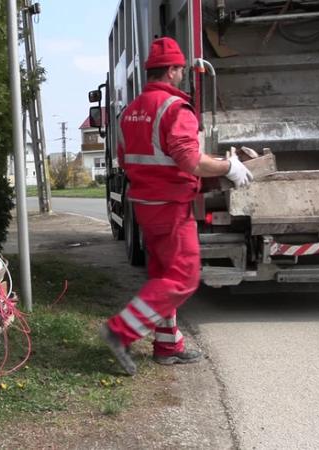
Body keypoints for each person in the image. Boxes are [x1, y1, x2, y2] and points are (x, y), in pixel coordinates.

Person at [100, 37, 253, 376]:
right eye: (181, 69)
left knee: (163, 275)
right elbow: (187, 159)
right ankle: (120, 331)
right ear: (170, 71)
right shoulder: (175, 109)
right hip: (172, 206)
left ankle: (168, 345)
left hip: (145, 204)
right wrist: (227, 167)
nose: (183, 74)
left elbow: (131, 158)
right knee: (182, 278)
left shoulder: (131, 113)